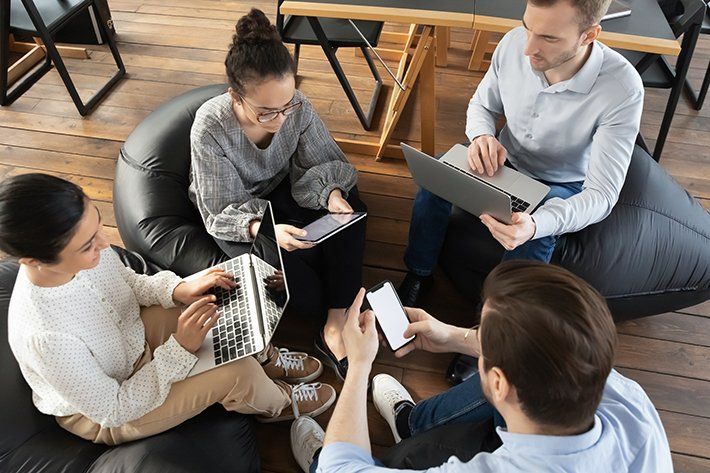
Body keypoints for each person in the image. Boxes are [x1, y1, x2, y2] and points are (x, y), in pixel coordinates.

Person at [3, 174, 335, 446]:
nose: (104, 244)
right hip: (111, 410)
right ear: (34, 262)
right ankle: (276, 403)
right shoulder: (46, 336)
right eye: (88, 244)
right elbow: (114, 408)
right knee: (237, 373)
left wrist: (179, 288)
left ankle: (266, 358)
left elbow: (131, 283)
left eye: (98, 227)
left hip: (132, 337)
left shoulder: (88, 250)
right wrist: (181, 349)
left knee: (217, 307)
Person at [291, 261, 673, 472]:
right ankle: (409, 423)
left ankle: (325, 453)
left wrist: (359, 365)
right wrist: (455, 337)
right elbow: (546, 349)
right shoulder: (630, 403)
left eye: (482, 335)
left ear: (500, 383)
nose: (477, 340)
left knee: (333, 461)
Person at [397, 0, 644, 308]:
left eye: (549, 38)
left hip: (561, 182)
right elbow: (482, 106)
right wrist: (482, 135)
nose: (528, 49)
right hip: (503, 163)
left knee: (536, 234)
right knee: (435, 180)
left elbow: (602, 195)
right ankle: (419, 272)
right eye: (528, 27)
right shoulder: (514, 42)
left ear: (589, 35)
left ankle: (496, 328)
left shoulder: (622, 89)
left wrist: (538, 224)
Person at [189, 8, 366, 380]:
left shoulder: (296, 107)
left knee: (352, 208)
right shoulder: (211, 126)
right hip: (239, 212)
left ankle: (335, 324)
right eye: (268, 112)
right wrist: (264, 230)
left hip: (281, 189)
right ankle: (330, 307)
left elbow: (321, 159)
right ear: (234, 96)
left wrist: (332, 192)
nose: (282, 119)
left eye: (286, 106)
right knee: (300, 289)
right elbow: (219, 210)